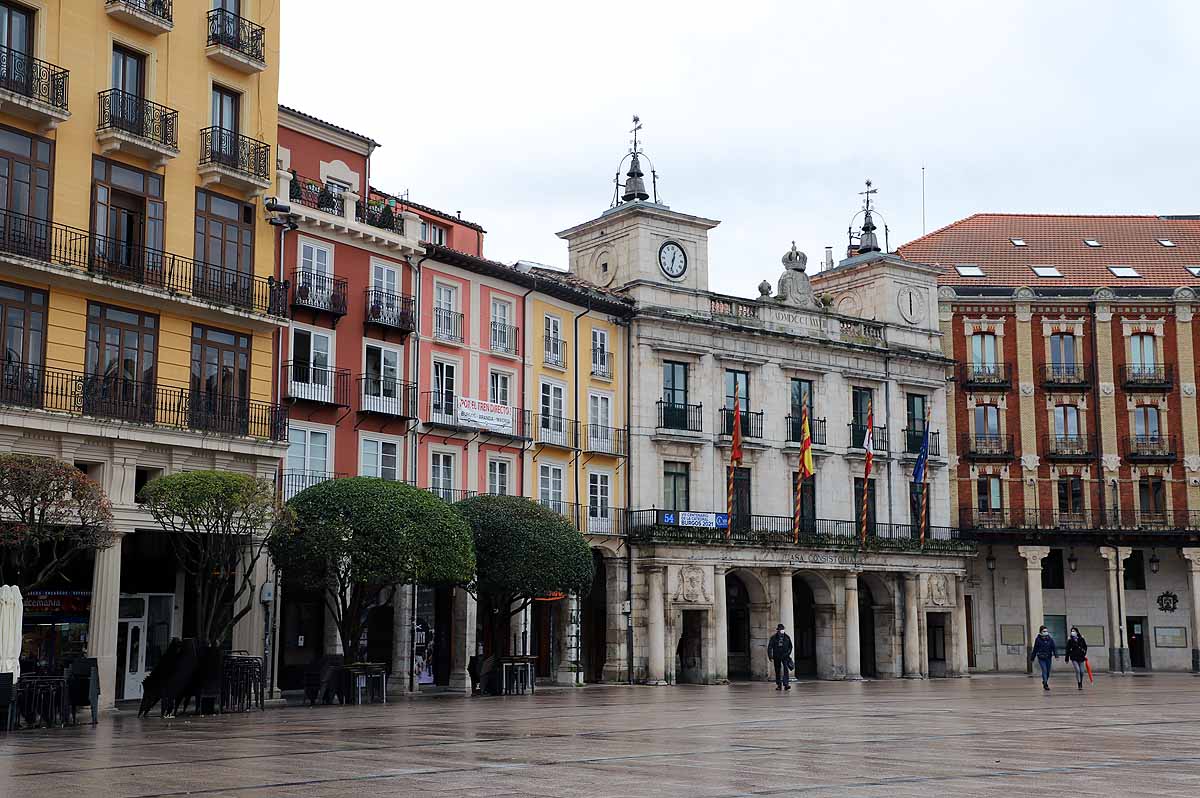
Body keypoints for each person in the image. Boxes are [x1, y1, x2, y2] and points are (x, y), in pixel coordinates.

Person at [767, 623, 793, 691]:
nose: (782, 631)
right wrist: (770, 656)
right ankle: (779, 684)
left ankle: (786, 684)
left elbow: (790, 647)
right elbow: (770, 647)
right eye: (780, 630)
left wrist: (788, 654)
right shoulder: (773, 637)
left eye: (782, 629)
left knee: (785, 669)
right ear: (778, 630)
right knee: (777, 670)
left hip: (785, 655)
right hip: (777, 656)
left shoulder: (787, 637)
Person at [1031, 625, 1057, 690]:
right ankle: (1045, 684)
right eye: (1044, 631)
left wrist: (1056, 655)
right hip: (1041, 657)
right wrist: (1032, 657)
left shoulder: (1050, 639)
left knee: (1048, 671)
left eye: (1046, 631)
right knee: (1044, 670)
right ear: (1041, 632)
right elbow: (1035, 649)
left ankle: (1045, 680)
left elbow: (1053, 647)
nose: (1045, 632)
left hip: (1048, 657)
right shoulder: (1038, 639)